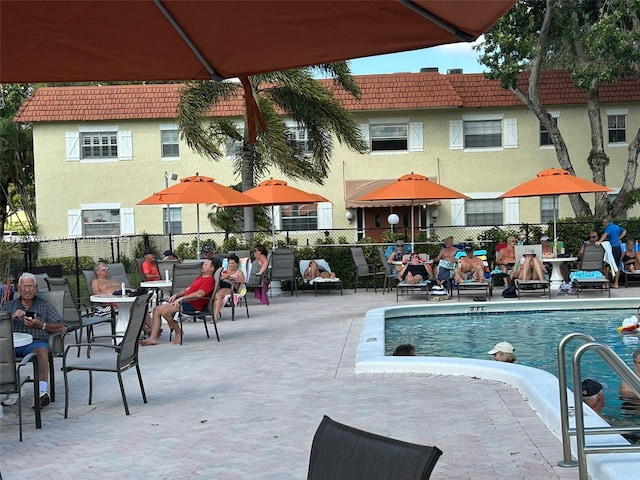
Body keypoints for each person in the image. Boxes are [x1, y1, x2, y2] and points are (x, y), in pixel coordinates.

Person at [1, 273, 66, 407]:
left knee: (42, 352)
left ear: (36, 288)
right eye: (24, 286)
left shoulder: (44, 305)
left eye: (30, 286)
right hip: (11, 345)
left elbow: (61, 327)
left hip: (34, 343)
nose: (27, 289)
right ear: (18, 288)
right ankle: (10, 388)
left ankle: (41, 393)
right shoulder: (9, 306)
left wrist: (41, 325)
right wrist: (12, 316)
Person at [141, 259, 216, 346]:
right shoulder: (199, 278)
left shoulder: (209, 280)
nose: (202, 266)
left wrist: (182, 298)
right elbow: (187, 289)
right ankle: (153, 338)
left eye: (206, 265)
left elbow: (199, 294)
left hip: (193, 306)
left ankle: (178, 332)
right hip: (185, 302)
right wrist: (176, 295)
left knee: (166, 312)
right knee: (157, 309)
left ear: (212, 268)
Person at [597, 215, 626, 288]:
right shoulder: (616, 227)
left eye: (603, 222)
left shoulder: (608, 227)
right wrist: (618, 238)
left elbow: (605, 234)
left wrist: (599, 241)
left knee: (607, 265)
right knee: (616, 265)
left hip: (612, 248)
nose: (602, 223)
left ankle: (606, 283)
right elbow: (624, 231)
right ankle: (616, 283)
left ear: (606, 221)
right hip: (618, 248)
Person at [213, 254, 246, 320]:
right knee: (213, 293)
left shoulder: (239, 272)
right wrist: (222, 276)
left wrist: (230, 277)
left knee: (218, 295)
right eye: (229, 263)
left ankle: (215, 316)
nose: (231, 265)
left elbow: (242, 280)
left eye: (232, 263)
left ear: (236, 264)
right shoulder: (224, 271)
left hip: (231, 288)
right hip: (221, 286)